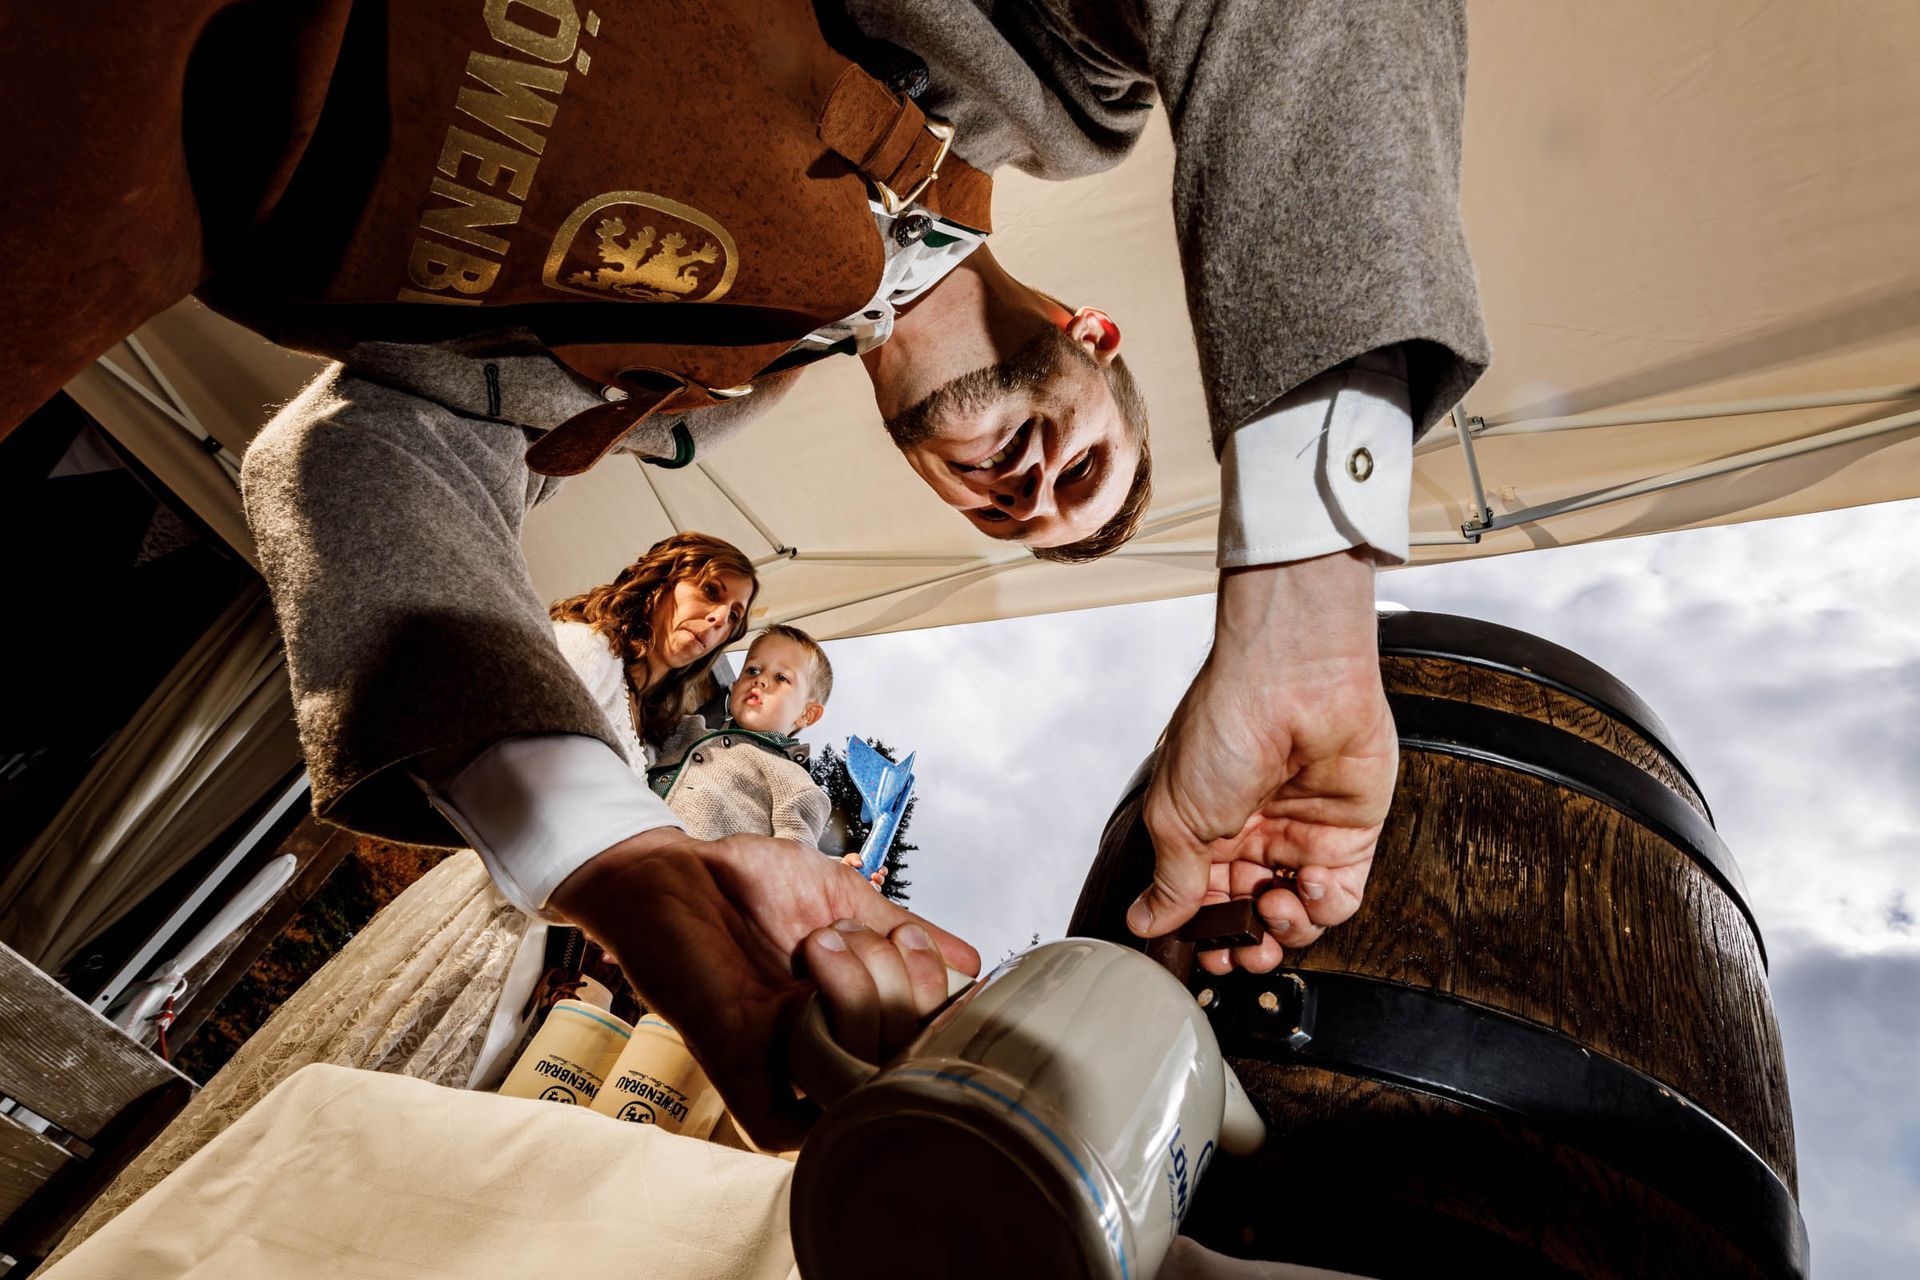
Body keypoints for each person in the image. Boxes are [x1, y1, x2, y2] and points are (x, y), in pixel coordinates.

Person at [3, 0, 1487, 1145]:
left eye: (1015, 520)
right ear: (1097, 338)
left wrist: (624, 859)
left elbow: (354, 453)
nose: (1036, 494)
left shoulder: (667, 388)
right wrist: (1305, 599)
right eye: (1086, 465)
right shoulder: (1030, 71)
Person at [40, 532, 762, 1264]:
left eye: (734, 615)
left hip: (530, 932)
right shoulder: (580, 650)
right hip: (480, 914)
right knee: (380, 1076)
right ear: (659, 582)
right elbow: (506, 786)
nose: (718, 622)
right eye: (710, 594)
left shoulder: (641, 710)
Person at [648, 625, 834, 848]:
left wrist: (833, 869)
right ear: (735, 686)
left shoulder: (793, 780)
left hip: (699, 876)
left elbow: (795, 861)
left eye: (781, 677)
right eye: (753, 670)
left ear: (807, 713)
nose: (761, 680)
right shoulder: (688, 728)